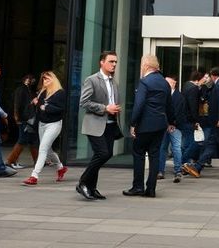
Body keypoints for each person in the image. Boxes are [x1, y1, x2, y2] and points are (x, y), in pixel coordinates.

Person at [124, 54, 174, 197]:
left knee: (138, 153)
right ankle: (151, 188)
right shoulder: (164, 83)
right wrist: (171, 122)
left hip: (145, 125)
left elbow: (139, 105)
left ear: (146, 66)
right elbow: (169, 105)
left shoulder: (145, 82)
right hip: (160, 125)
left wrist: (133, 123)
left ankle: (138, 186)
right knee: (154, 155)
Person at [77, 51, 123, 200]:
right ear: (102, 62)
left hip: (110, 124)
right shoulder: (92, 80)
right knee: (102, 153)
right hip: (95, 124)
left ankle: (91, 187)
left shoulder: (113, 82)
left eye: (115, 62)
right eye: (111, 61)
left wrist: (115, 109)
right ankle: (83, 182)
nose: (114, 64)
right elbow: (84, 102)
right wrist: (105, 108)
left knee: (106, 154)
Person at [22, 71, 67, 186]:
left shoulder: (59, 93)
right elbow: (39, 105)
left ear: (53, 79)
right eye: (44, 79)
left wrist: (45, 107)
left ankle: (34, 176)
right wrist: (37, 103)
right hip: (42, 124)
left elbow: (60, 109)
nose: (45, 81)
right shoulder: (42, 92)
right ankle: (60, 168)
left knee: (42, 149)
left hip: (54, 124)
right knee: (48, 150)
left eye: (47, 79)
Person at [158, 75, 188, 183]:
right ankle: (160, 171)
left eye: (168, 83)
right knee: (162, 148)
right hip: (164, 126)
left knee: (176, 148)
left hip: (175, 127)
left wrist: (172, 124)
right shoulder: (163, 95)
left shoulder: (179, 97)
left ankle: (177, 171)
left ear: (174, 83)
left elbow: (180, 113)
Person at [5, 74, 39, 170]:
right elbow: (17, 103)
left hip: (28, 118)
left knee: (32, 139)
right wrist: (17, 117)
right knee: (23, 139)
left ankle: (38, 161)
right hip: (24, 119)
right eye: (31, 79)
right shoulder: (21, 89)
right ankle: (10, 161)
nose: (33, 81)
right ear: (27, 80)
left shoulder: (28, 90)